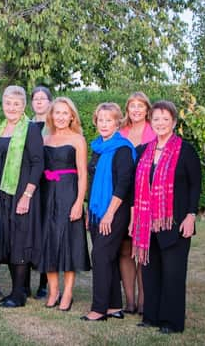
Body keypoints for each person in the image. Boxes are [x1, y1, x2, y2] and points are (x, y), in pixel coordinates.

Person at [131, 100, 201, 334]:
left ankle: (171, 321)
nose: (160, 123)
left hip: (176, 222)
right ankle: (151, 316)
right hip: (148, 223)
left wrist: (191, 215)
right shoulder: (144, 151)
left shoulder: (185, 150)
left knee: (173, 273)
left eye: (165, 119)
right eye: (156, 119)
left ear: (173, 122)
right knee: (151, 272)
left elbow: (195, 185)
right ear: (151, 121)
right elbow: (136, 187)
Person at [0, 85, 44, 308]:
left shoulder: (30, 129)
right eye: (8, 103)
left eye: (17, 104)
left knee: (21, 239)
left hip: (22, 192)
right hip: (3, 193)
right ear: (3, 105)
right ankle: (15, 290)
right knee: (10, 239)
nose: (12, 108)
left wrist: (27, 194)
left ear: (23, 107)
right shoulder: (0, 130)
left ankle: (19, 295)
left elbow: (38, 163)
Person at [81, 103, 136, 321]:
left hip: (114, 212)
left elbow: (123, 184)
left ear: (117, 122)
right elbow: (93, 183)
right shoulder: (97, 147)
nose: (104, 124)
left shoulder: (122, 148)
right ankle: (114, 306)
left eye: (109, 120)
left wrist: (109, 213)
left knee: (100, 255)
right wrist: (90, 211)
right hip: (97, 211)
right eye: (100, 120)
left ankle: (99, 309)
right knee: (109, 257)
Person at [39, 97, 90, 312]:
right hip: (47, 194)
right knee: (48, 239)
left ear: (71, 116)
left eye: (64, 113)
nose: (60, 117)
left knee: (69, 240)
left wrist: (79, 202)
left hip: (69, 193)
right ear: (51, 115)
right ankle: (53, 290)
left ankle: (68, 292)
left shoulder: (78, 139)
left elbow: (83, 175)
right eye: (56, 112)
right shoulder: (45, 139)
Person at [118, 91, 156, 315]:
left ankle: (144, 301)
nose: (136, 110)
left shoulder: (154, 133)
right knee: (124, 250)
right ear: (127, 109)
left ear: (147, 109)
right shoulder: (120, 132)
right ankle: (129, 301)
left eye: (140, 106)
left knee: (142, 250)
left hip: (145, 199)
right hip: (122, 198)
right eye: (132, 106)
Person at [28, 85, 53, 299]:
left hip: (49, 185)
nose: (39, 102)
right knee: (29, 229)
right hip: (29, 185)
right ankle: (24, 281)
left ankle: (44, 282)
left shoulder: (56, 126)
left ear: (49, 102)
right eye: (35, 98)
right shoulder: (25, 126)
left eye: (43, 98)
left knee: (46, 231)